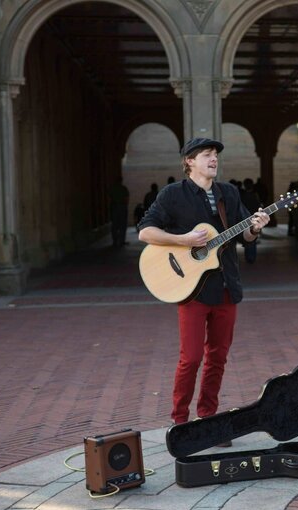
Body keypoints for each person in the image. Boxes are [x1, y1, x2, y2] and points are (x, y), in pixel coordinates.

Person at [138, 138, 269, 446]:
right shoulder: (173, 195)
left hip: (226, 287)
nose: (213, 160)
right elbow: (146, 231)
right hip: (193, 290)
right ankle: (180, 421)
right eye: (207, 155)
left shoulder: (229, 193)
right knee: (192, 357)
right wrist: (184, 240)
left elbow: (246, 235)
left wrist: (257, 226)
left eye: (215, 156)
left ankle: (208, 418)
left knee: (218, 357)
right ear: (190, 162)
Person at [240, 178, 262, 264]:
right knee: (252, 238)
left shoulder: (243, 195)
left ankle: (249, 257)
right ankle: (251, 257)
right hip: (253, 219)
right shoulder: (254, 195)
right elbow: (258, 206)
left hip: (246, 219)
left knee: (249, 238)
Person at [107, 177, 129, 247]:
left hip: (114, 207)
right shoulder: (123, 189)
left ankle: (115, 241)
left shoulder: (112, 189)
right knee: (122, 225)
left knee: (114, 225)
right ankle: (121, 241)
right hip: (122, 207)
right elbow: (126, 199)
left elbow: (109, 199)